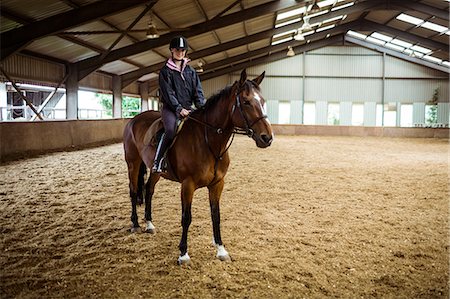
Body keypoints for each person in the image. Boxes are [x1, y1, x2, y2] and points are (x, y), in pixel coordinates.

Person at [152, 36, 206, 173]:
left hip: (188, 108)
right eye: (177, 50)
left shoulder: (191, 71)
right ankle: (158, 161)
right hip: (171, 109)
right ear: (171, 50)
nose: (180, 52)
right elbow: (168, 93)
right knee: (170, 130)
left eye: (183, 50)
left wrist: (202, 107)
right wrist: (178, 108)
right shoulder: (165, 71)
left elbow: (197, 92)